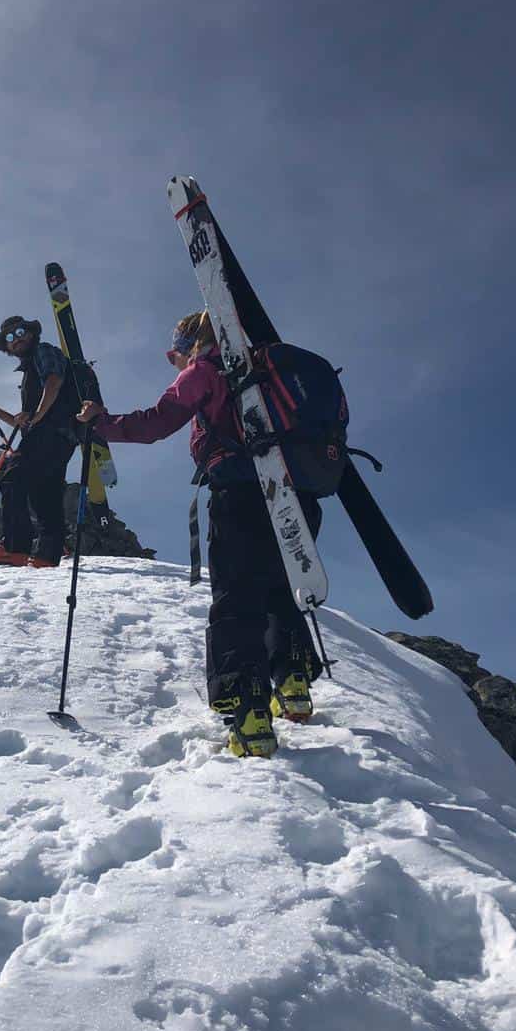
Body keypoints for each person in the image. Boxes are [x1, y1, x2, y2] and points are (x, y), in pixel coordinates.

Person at [77, 310, 321, 758]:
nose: (176, 362)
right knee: (281, 590)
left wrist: (100, 423)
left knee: (237, 597)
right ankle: (294, 684)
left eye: (176, 353)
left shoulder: (206, 369)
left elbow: (157, 421)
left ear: (190, 343)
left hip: (242, 493)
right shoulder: (271, 369)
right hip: (299, 495)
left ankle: (249, 716)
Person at [0, 315, 80, 568]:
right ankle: (47, 555)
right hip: (61, 436)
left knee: (13, 477)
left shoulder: (43, 352)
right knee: (45, 494)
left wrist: (36, 416)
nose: (17, 339)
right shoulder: (30, 370)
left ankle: (15, 547)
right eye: (10, 338)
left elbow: (54, 383)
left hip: (47, 433)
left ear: (32, 333)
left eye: (20, 332)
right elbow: (23, 421)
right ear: (7, 347)